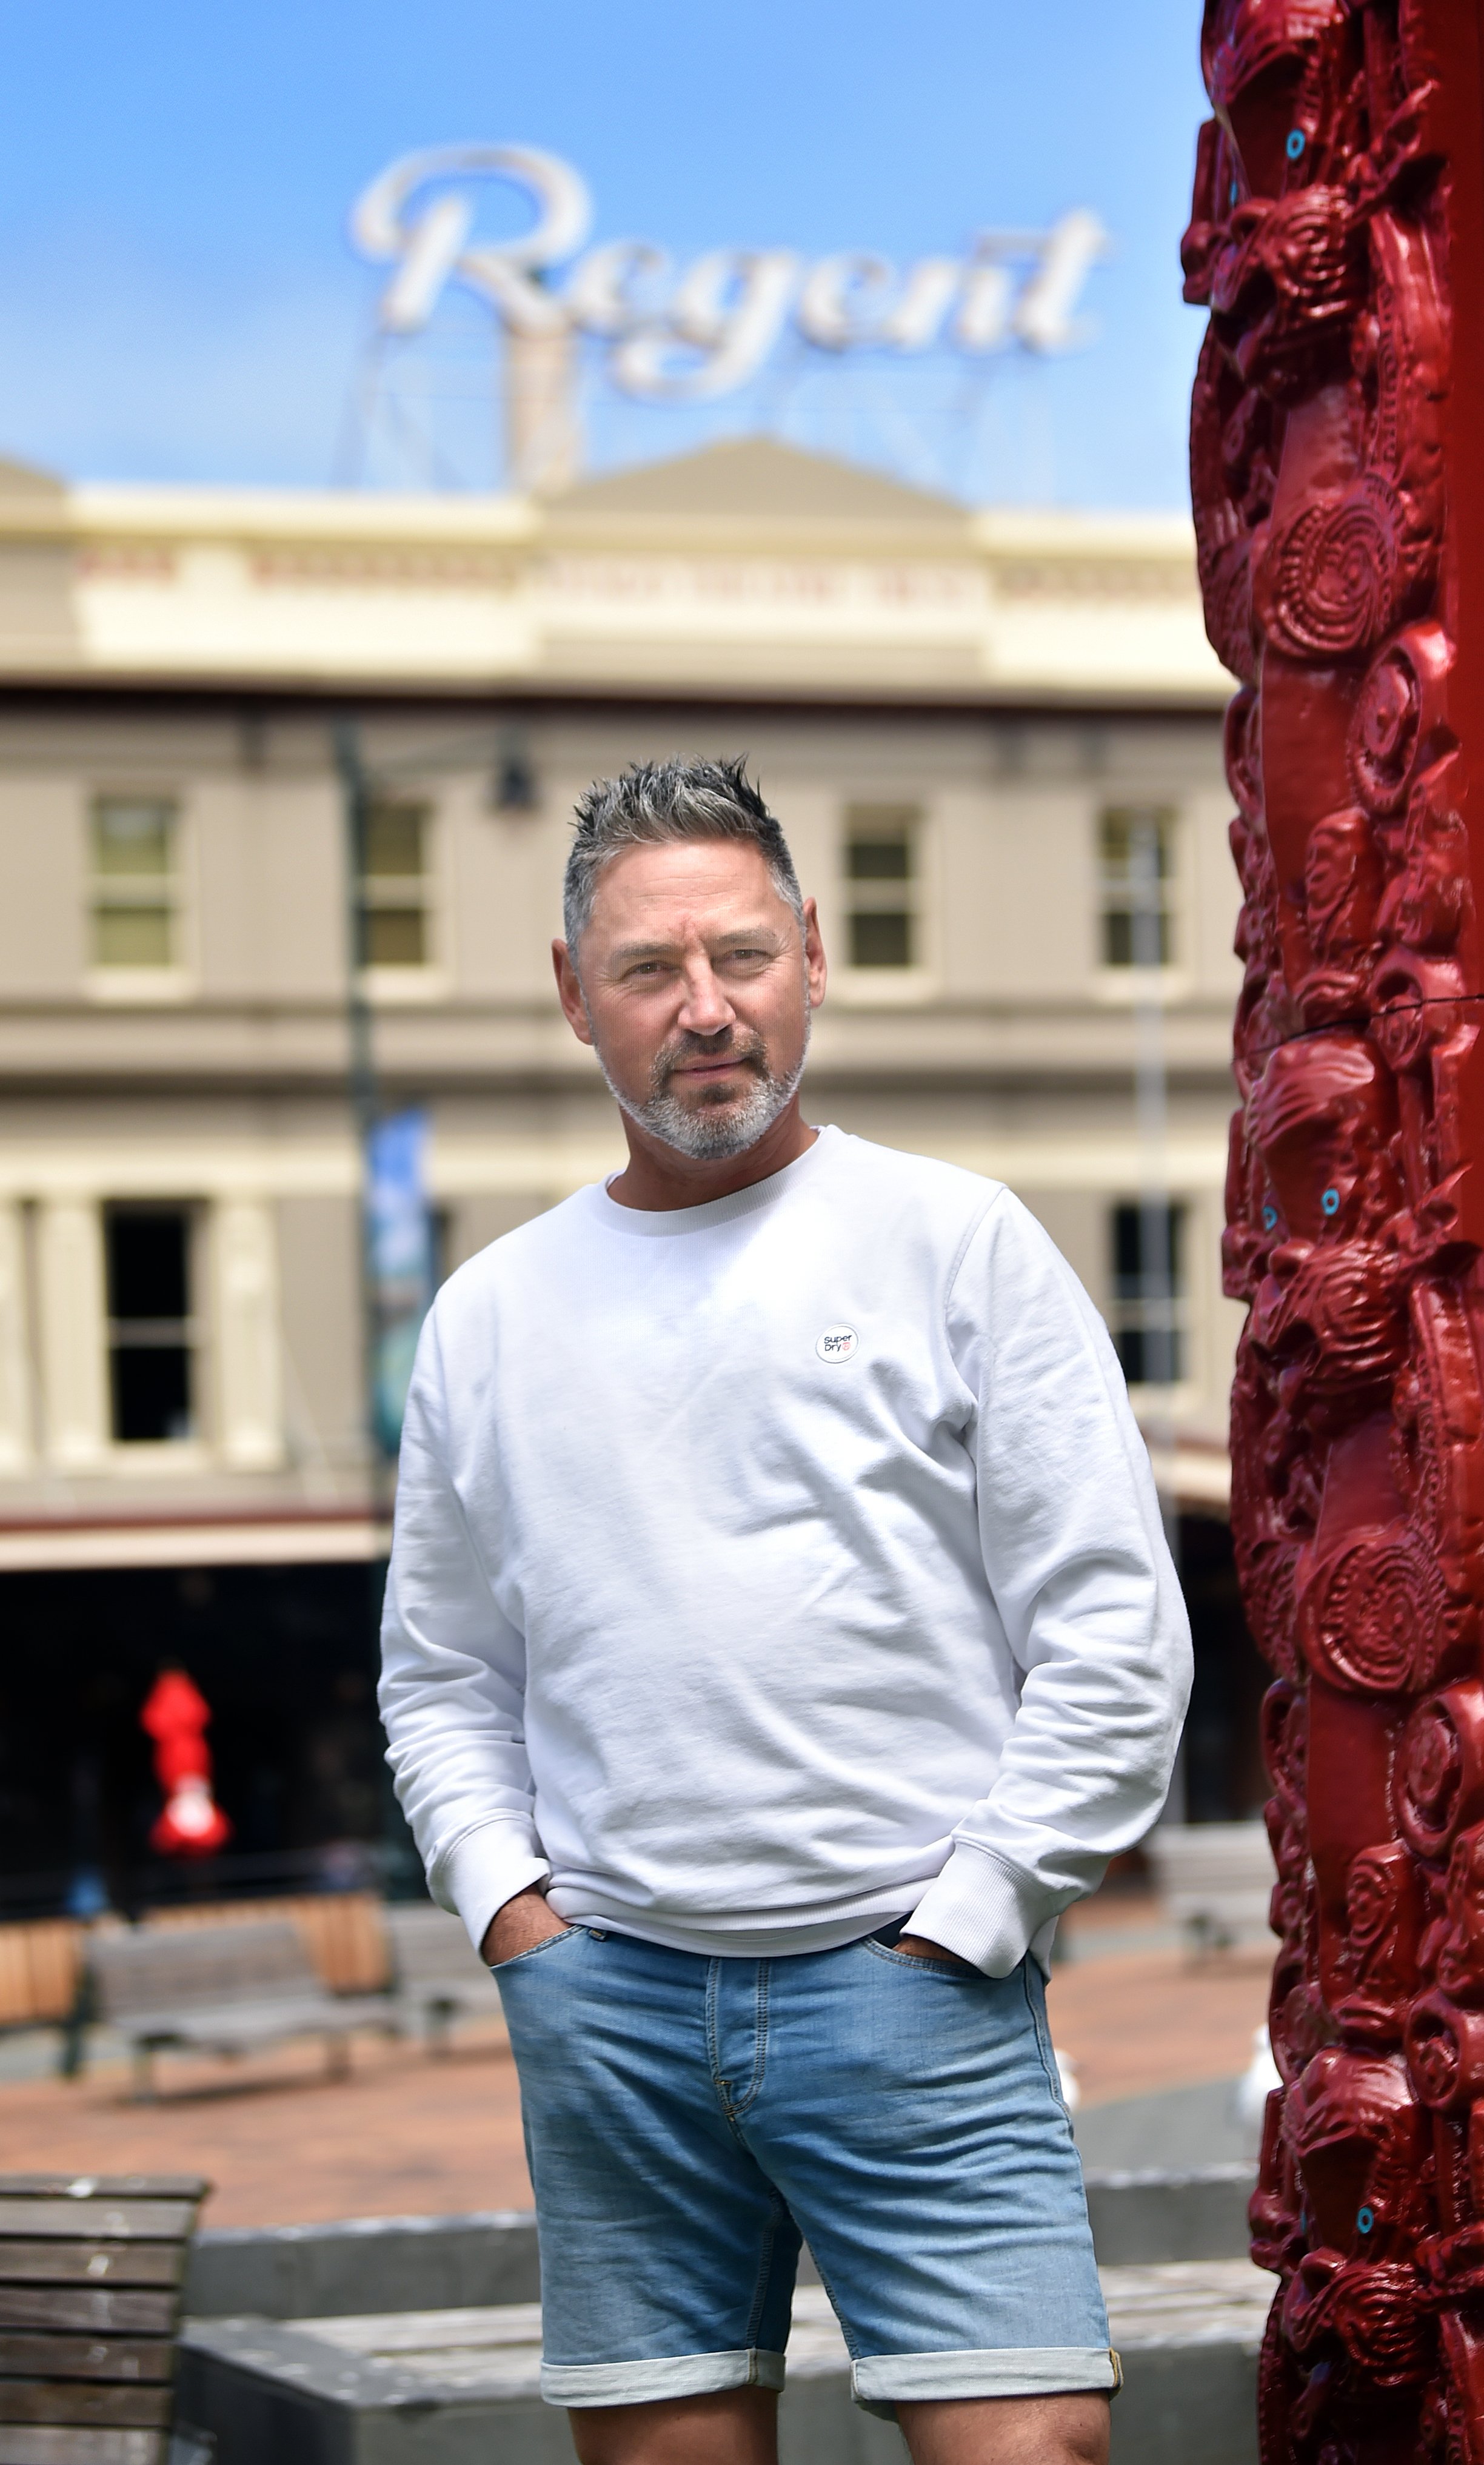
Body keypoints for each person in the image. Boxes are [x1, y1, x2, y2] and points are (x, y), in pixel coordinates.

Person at [379, 757, 1192, 2465]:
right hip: (614, 2000)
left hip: (917, 1988)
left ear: (814, 954)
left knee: (1038, 2441)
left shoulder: (958, 1243)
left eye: (742, 957)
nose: (705, 1010)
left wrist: (973, 1917)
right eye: (649, 971)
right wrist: (515, 1918)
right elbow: (445, 1671)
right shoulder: (490, 1313)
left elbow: (1115, 1635)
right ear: (570, 995)